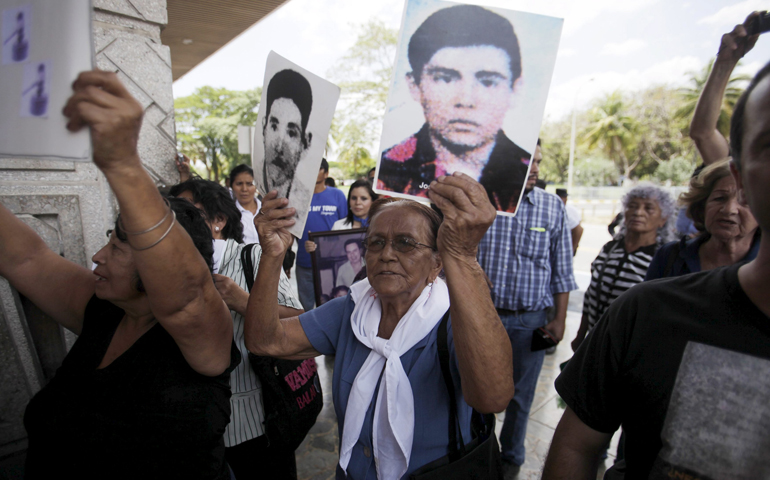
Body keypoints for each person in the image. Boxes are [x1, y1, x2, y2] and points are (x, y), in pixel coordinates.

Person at [2, 71, 238, 479]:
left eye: (116, 247)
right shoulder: (103, 308)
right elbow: (26, 258)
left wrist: (123, 164)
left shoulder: (205, 336)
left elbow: (185, 296)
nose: (96, 256)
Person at [542, 61, 770, 480]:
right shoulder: (651, 305)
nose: (731, 210)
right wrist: (583, 335)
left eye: (649, 208)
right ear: (744, 177)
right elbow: (576, 444)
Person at [244, 172, 514, 479]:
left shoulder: (456, 322)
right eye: (376, 243)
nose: (387, 254)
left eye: (405, 244)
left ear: (437, 264)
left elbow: (493, 398)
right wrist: (273, 254)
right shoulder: (353, 311)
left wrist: (462, 256)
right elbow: (265, 341)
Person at [170, 179, 304, 479]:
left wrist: (242, 301)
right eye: (172, 215)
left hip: (257, 421)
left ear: (218, 221)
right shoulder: (165, 274)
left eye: (191, 214)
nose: (179, 223)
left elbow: (296, 318)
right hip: (195, 427)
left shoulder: (251, 257)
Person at [476, 142, 578, 476]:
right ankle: (475, 452)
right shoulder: (482, 204)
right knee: (474, 389)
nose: (535, 168)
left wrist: (560, 320)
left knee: (520, 397)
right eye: (527, 161)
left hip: (529, 322)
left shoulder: (552, 207)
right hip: (482, 319)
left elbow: (562, 269)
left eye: (538, 161)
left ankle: (511, 459)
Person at [376, 4, 530, 213]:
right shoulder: (389, 171)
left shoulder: (526, 176)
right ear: (415, 86)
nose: (466, 100)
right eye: (445, 79)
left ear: (515, 90)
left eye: (487, 82)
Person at [571, 184, 675, 351]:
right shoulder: (610, 248)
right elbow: (591, 293)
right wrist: (581, 334)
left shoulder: (662, 258)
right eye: (632, 206)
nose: (638, 212)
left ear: (663, 218)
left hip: (628, 347)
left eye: (649, 208)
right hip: (595, 341)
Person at [646, 159, 760, 280]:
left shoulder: (764, 266)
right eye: (719, 198)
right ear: (702, 206)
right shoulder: (670, 257)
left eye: (744, 200)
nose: (729, 209)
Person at [296, 159, 347, 310]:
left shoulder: (337, 195)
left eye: (317, 168)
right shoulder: (299, 197)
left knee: (330, 306)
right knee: (305, 308)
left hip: (330, 262)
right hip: (304, 262)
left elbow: (345, 228)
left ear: (326, 173)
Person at [261, 69, 313, 201]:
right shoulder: (248, 190)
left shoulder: (305, 201)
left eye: (291, 133)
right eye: (274, 127)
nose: (279, 146)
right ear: (263, 128)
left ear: (305, 144)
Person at [230, 164, 262, 245]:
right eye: (239, 184)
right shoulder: (229, 215)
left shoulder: (267, 210)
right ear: (232, 186)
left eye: (249, 184)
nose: (244, 189)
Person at [556, 188, 583, 255]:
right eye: (562, 197)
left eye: (565, 197)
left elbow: (579, 227)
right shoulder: (558, 209)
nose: (565, 199)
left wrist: (573, 247)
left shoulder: (570, 210)